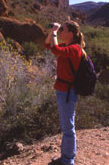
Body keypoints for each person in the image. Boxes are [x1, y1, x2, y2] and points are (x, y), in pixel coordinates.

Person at [45, 20, 85, 165]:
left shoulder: (74, 48)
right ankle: (66, 155)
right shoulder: (66, 45)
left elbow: (55, 50)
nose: (61, 31)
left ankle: (68, 160)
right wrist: (52, 32)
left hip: (68, 92)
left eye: (63, 29)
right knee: (65, 126)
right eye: (60, 29)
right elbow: (48, 45)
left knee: (68, 127)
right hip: (61, 90)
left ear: (71, 33)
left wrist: (55, 31)